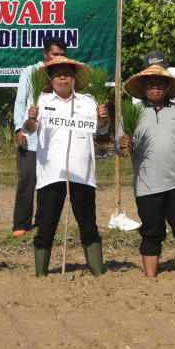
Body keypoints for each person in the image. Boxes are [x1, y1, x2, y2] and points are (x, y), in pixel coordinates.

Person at [22, 57, 108, 276]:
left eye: (67, 74)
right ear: (50, 78)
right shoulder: (39, 102)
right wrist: (31, 119)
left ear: (74, 77)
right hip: (51, 174)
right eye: (57, 74)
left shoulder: (88, 102)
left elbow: (101, 130)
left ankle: (97, 271)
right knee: (46, 224)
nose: (63, 78)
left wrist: (102, 119)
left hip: (82, 174)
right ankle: (41, 272)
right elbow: (28, 130)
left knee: (88, 223)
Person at [119, 65, 175, 277]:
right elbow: (119, 147)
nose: (155, 86)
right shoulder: (132, 113)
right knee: (151, 233)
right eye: (150, 82)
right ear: (143, 86)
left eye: (159, 82)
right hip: (147, 185)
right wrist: (122, 145)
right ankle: (150, 280)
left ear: (167, 86)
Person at [11, 37, 67, 235]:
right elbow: (20, 103)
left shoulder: (65, 75)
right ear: (45, 54)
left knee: (49, 182)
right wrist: (19, 128)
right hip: (30, 137)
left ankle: (43, 221)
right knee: (27, 179)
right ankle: (21, 223)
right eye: (55, 54)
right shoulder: (30, 72)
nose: (58, 58)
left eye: (62, 55)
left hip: (53, 140)